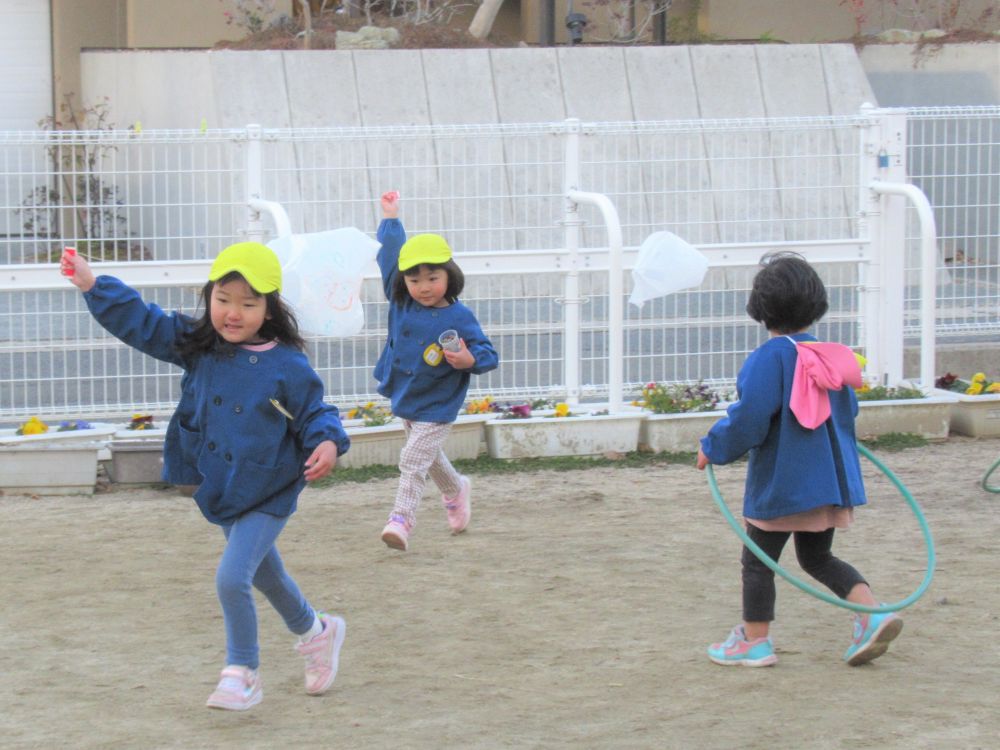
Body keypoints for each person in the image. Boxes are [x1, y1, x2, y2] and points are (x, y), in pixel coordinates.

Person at [61, 242, 351, 710]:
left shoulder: (287, 364)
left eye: (248, 303)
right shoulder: (199, 344)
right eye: (223, 299)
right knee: (264, 574)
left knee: (232, 576)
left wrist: (326, 442)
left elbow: (316, 412)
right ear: (208, 296)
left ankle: (242, 672)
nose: (232, 313)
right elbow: (144, 322)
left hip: (270, 485)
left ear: (270, 308)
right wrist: (95, 285)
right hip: (220, 481)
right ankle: (318, 631)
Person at [696, 251, 902, 668]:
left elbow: (749, 420)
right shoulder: (833, 356)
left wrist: (713, 447)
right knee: (817, 557)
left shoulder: (768, 360)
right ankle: (872, 611)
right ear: (816, 304)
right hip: (829, 483)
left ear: (760, 308)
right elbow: (848, 415)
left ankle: (754, 642)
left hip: (785, 484)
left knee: (758, 561)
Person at [374, 190, 499, 551]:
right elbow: (390, 258)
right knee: (428, 457)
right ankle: (456, 490)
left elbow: (487, 353)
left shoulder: (459, 316)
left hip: (439, 400)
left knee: (412, 458)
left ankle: (401, 520)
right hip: (406, 393)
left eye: (432, 278)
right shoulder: (400, 301)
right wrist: (391, 218)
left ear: (449, 275)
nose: (423, 287)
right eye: (414, 280)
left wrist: (469, 360)